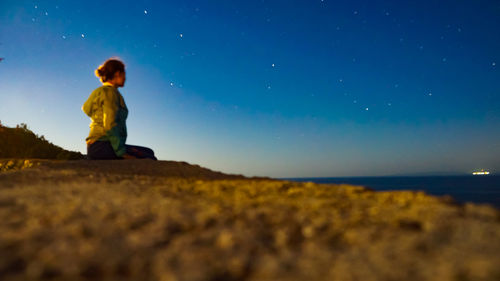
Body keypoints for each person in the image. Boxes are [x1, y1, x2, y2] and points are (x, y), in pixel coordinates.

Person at [82, 58, 157, 160]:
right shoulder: (111, 93)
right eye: (124, 74)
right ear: (118, 73)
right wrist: (121, 152)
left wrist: (98, 118)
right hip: (104, 145)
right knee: (149, 157)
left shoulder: (98, 91)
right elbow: (110, 124)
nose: (125, 78)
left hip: (93, 146)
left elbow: (86, 108)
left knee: (148, 151)